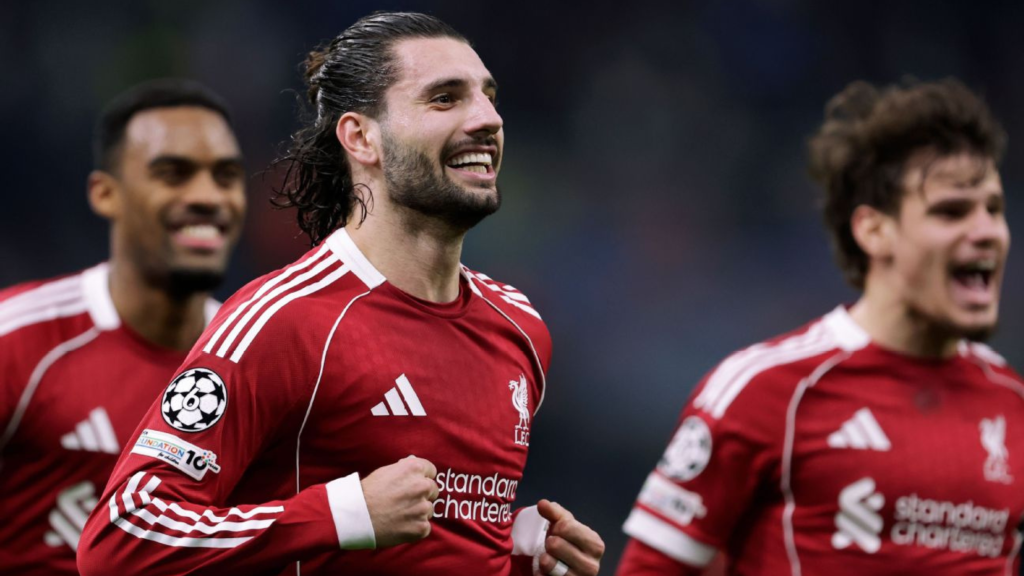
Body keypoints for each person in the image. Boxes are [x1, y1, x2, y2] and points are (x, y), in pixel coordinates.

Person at [77, 12, 603, 576]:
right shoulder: (286, 320)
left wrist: (521, 559)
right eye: (446, 99)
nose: (488, 119)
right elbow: (121, 536)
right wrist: (339, 515)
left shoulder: (520, 327)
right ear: (361, 138)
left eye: (488, 96)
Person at [617, 78, 1023, 575]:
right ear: (873, 229)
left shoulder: (1013, 404)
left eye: (994, 210)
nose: (985, 232)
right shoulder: (766, 390)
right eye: (951, 211)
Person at [0, 79, 247, 575]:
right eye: (173, 174)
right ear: (105, 194)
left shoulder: (254, 356)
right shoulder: (18, 338)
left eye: (225, 176)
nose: (208, 196)